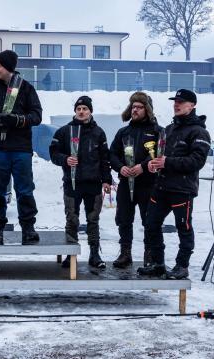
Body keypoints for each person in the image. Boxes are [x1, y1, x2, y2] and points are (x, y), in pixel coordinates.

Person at [138, 89, 211, 279]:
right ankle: (158, 263)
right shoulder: (168, 130)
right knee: (151, 224)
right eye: (175, 101)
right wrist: (153, 164)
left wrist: (166, 162)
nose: (176, 104)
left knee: (183, 228)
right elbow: (159, 156)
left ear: (192, 105)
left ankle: (182, 266)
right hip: (161, 187)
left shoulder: (200, 132)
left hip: (182, 190)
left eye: (181, 101)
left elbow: (197, 161)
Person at [0, 50, 42, 245]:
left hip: (21, 149)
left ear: (9, 68)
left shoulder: (26, 88)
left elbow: (37, 116)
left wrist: (17, 120)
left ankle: (28, 228)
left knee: (24, 189)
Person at [49, 96, 112, 268]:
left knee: (93, 220)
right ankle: (71, 254)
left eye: (85, 108)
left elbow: (105, 159)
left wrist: (107, 180)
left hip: (93, 184)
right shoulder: (64, 131)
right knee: (72, 219)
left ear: (90, 111)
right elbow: (53, 153)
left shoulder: (99, 133)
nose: (82, 111)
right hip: (72, 184)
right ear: (75, 111)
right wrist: (65, 159)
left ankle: (94, 254)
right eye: (79, 109)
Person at [110, 92, 163, 268]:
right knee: (124, 219)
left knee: (149, 220)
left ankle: (149, 254)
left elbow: (161, 154)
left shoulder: (158, 132)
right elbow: (112, 154)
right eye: (133, 106)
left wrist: (143, 166)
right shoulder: (123, 132)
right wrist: (120, 167)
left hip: (148, 184)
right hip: (126, 183)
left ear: (147, 109)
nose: (135, 110)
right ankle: (125, 253)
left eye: (139, 107)